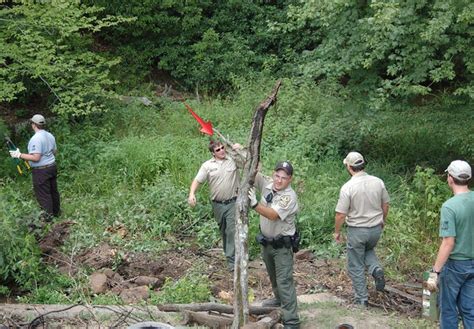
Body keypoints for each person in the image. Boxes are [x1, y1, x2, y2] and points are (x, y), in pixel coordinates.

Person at [334, 151, 389, 307]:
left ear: (349, 167)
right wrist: (382, 220)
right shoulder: (378, 182)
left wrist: (337, 232)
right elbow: (385, 204)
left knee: (355, 264)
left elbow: (340, 214)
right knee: (368, 251)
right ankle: (376, 269)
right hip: (375, 229)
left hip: (357, 230)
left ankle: (361, 299)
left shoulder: (348, 187)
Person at [248, 160, 300, 329]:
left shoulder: (289, 196)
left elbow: (272, 214)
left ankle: (292, 320)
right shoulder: (268, 185)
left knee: (284, 281)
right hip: (266, 243)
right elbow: (252, 170)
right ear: (273, 174)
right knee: (273, 277)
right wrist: (239, 150)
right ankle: (279, 300)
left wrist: (255, 204)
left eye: (283, 178)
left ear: (290, 179)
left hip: (281, 246)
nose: (279, 180)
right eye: (277, 175)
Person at [426, 160, 474, 329]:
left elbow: (448, 243)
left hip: (456, 266)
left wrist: (435, 271)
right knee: (470, 310)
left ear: (451, 178)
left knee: (448, 309)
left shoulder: (449, 207)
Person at [188, 140, 243, 272]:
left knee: (231, 230)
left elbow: (249, 163)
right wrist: (191, 194)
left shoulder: (233, 160)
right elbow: (197, 180)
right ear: (213, 153)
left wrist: (240, 149)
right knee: (224, 231)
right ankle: (230, 255)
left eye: (222, 148)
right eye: (218, 150)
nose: (222, 150)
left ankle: (232, 262)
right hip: (217, 204)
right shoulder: (207, 166)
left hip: (232, 202)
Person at [9, 114, 60, 220]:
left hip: (41, 171)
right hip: (52, 167)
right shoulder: (50, 135)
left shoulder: (36, 139)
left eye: (32, 123)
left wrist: (19, 155)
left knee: (43, 194)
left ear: (34, 125)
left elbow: (36, 157)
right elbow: (54, 152)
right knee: (53, 191)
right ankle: (56, 213)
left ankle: (48, 219)